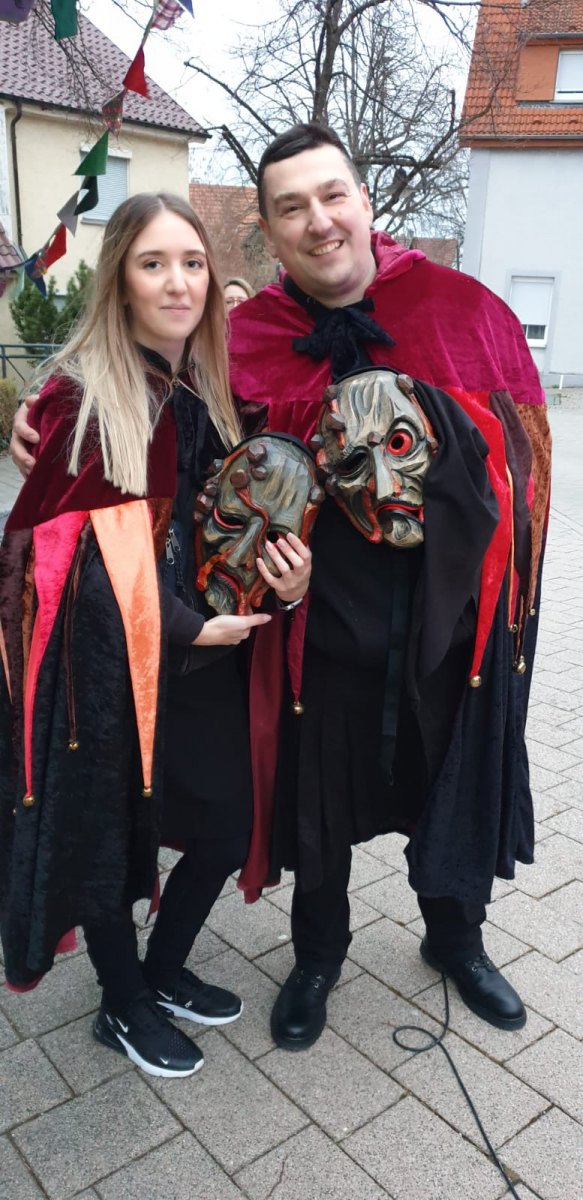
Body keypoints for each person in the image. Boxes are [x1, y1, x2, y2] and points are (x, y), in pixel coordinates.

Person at [10, 126, 552, 1054]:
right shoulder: (244, 339)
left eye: (332, 195)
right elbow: (166, 435)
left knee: (447, 775)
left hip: (444, 630)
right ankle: (315, 959)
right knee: (317, 803)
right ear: (265, 229)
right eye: (291, 207)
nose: (318, 221)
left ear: (364, 200)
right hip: (309, 638)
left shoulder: (465, 313)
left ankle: (455, 939)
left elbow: (527, 466)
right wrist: (47, 412)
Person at [0, 192, 311, 1078]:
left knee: (225, 823)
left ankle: (162, 968)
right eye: (153, 263)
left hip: (202, 662)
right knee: (107, 829)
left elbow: (238, 522)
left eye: (192, 263)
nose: (177, 282)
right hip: (105, 674)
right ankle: (123, 1001)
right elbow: (67, 562)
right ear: (121, 282)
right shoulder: (81, 400)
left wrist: (289, 585)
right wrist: (187, 628)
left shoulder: (214, 393)